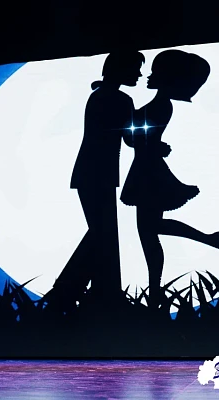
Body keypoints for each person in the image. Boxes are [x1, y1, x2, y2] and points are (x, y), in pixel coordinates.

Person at [44, 50, 169, 311]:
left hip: (93, 172)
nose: (139, 74)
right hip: (98, 173)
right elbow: (130, 137)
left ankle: (99, 292)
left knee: (103, 233)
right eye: (135, 68)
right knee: (102, 233)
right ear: (120, 69)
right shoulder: (119, 99)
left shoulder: (101, 95)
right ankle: (67, 290)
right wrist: (156, 144)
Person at [120, 49, 219, 309]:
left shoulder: (161, 106)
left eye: (157, 71)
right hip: (148, 169)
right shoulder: (160, 105)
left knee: (148, 232)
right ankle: (207, 242)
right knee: (151, 230)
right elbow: (139, 134)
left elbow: (133, 138)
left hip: (148, 172)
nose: (149, 75)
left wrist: (125, 113)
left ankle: (156, 290)